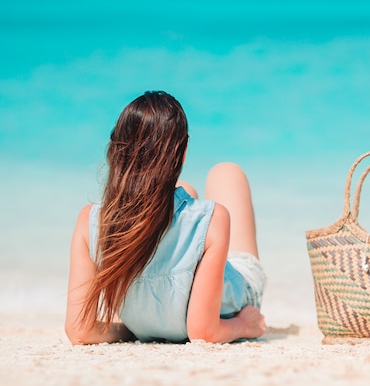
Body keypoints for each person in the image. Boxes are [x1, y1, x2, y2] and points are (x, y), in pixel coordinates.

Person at [65, 91, 266, 345]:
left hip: (154, 312)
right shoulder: (215, 217)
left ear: (116, 151)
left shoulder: (89, 221)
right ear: (182, 152)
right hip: (231, 300)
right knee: (225, 172)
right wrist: (244, 325)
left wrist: (134, 330)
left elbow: (79, 331)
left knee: (183, 195)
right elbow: (203, 332)